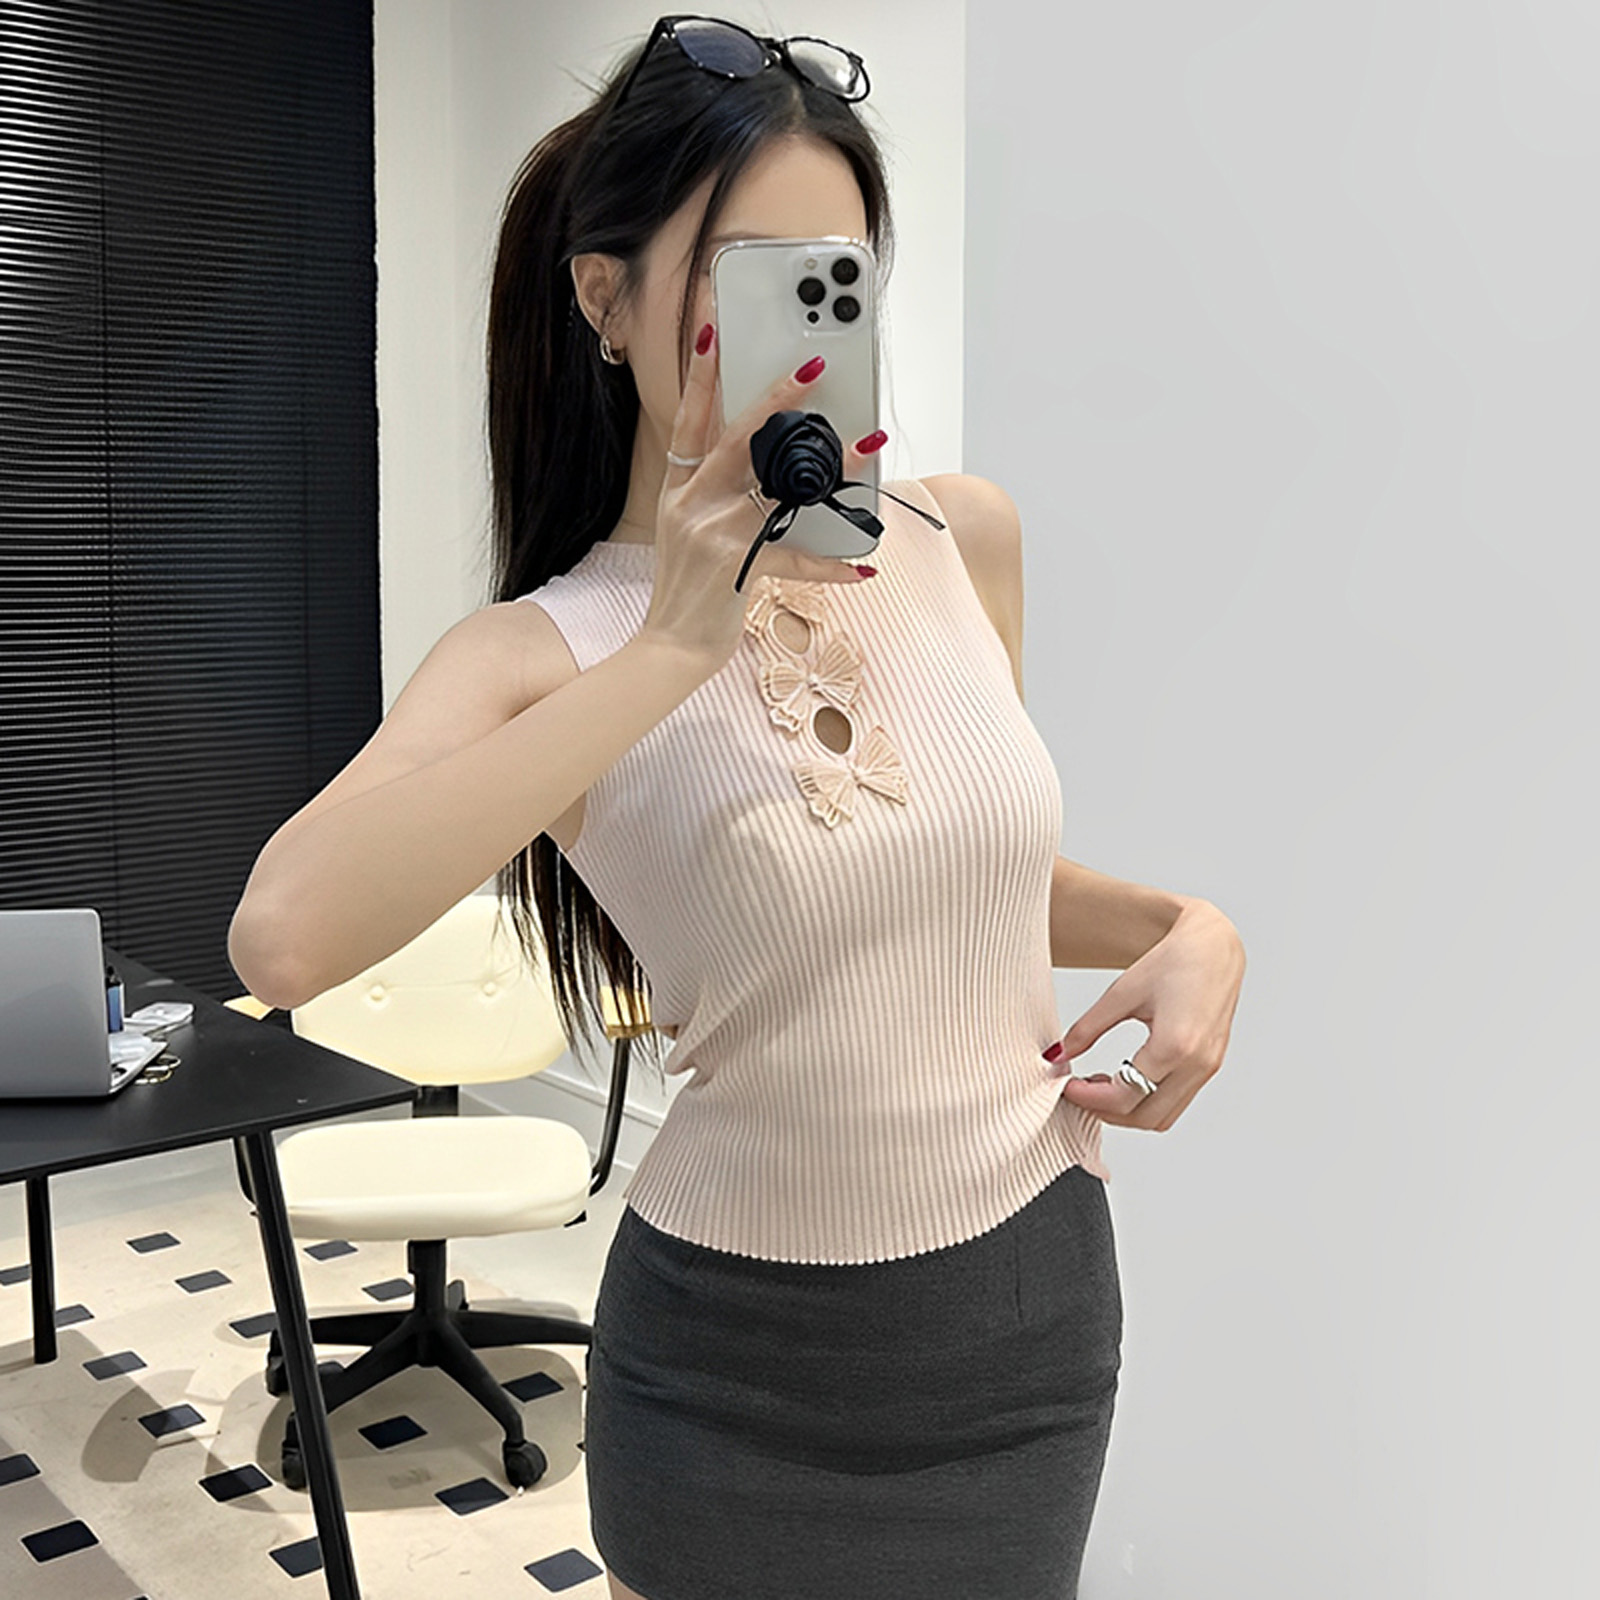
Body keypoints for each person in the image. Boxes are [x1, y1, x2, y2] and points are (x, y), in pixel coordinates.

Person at [229, 16, 1246, 1600]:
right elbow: (286, 938)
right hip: (731, 1372)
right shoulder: (539, 652)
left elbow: (962, 873)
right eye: (747, 279)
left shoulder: (963, 539)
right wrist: (671, 647)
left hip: (1022, 1327)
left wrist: (1192, 924)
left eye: (835, 280)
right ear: (604, 297)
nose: (802, 334)